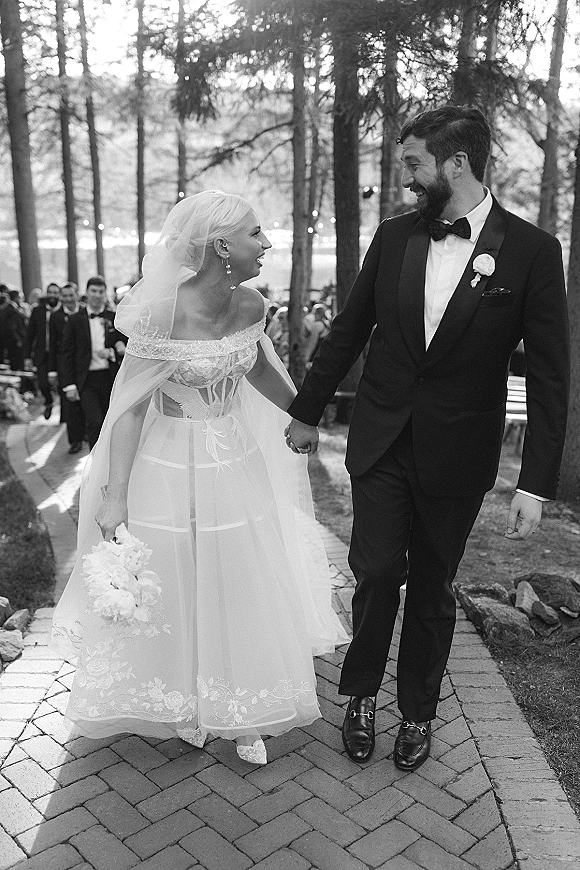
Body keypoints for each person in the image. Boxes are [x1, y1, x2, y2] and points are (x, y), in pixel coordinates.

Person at [285, 106, 570, 772]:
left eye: (414, 163)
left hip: (459, 453)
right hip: (382, 439)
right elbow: (348, 330)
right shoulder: (393, 236)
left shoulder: (532, 251)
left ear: (456, 164)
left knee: (435, 587)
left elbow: (554, 377)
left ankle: (417, 712)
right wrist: (306, 409)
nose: (406, 177)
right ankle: (359, 697)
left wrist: (534, 482)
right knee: (378, 572)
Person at [50, 190, 348, 765]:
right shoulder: (161, 311)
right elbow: (131, 407)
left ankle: (240, 709)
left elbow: (257, 365)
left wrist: (301, 415)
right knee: (178, 576)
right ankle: (187, 700)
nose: (266, 244)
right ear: (221, 246)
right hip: (168, 461)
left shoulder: (251, 307)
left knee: (237, 574)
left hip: (234, 461)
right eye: (256, 234)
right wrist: (115, 497)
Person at [60, 276, 126, 449]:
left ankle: (107, 464)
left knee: (108, 421)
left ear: (105, 294)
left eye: (101, 292)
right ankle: (94, 466)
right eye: (93, 291)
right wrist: (69, 385)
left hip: (110, 378)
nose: (97, 295)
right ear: (86, 293)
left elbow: (126, 348)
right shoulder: (75, 320)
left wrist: (112, 352)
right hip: (86, 379)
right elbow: (66, 354)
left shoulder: (115, 318)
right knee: (94, 421)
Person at [49, 282, 86, 453]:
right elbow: (53, 346)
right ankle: (75, 440)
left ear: (77, 295)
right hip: (66, 366)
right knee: (69, 406)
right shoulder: (56, 317)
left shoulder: (86, 312)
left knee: (85, 401)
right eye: (64, 296)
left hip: (86, 364)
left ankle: (85, 432)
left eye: (71, 295)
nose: (68, 299)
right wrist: (53, 370)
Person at [24, 282, 61, 419]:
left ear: (59, 295)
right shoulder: (38, 311)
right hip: (42, 353)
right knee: (43, 383)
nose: (52, 295)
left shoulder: (62, 311)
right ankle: (49, 401)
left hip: (58, 355)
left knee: (62, 385)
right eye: (50, 292)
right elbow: (30, 335)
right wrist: (27, 356)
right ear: (46, 293)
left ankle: (65, 416)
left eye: (55, 293)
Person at [0, 289, 27, 372]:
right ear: (16, 298)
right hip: (14, 343)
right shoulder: (12, 311)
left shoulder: (6, 309)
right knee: (17, 365)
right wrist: (18, 339)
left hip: (9, 341)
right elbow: (12, 327)